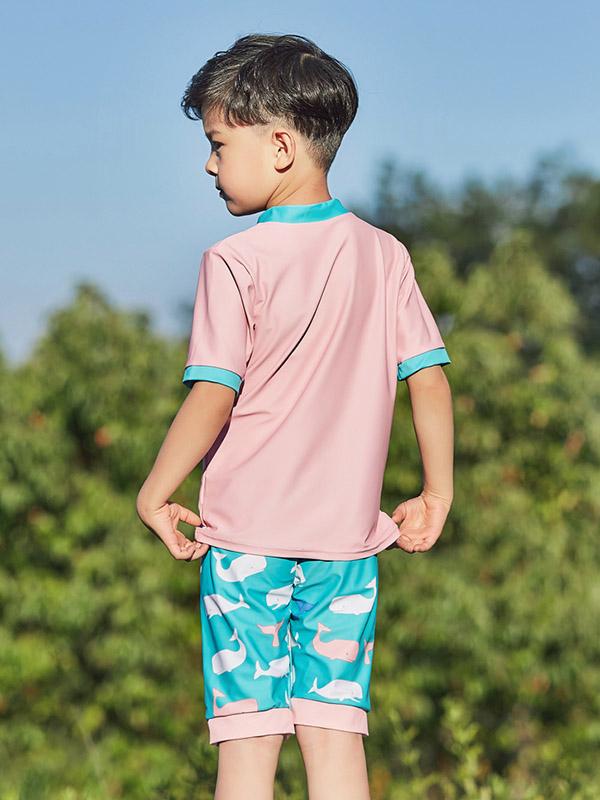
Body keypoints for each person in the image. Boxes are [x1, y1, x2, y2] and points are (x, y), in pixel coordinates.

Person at [136, 32, 454, 800]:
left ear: (279, 146)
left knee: (247, 747)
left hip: (246, 543)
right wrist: (436, 492)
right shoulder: (385, 256)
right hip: (346, 546)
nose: (210, 165)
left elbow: (213, 394)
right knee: (337, 740)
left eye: (218, 144)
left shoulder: (233, 262)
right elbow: (428, 377)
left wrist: (155, 491)